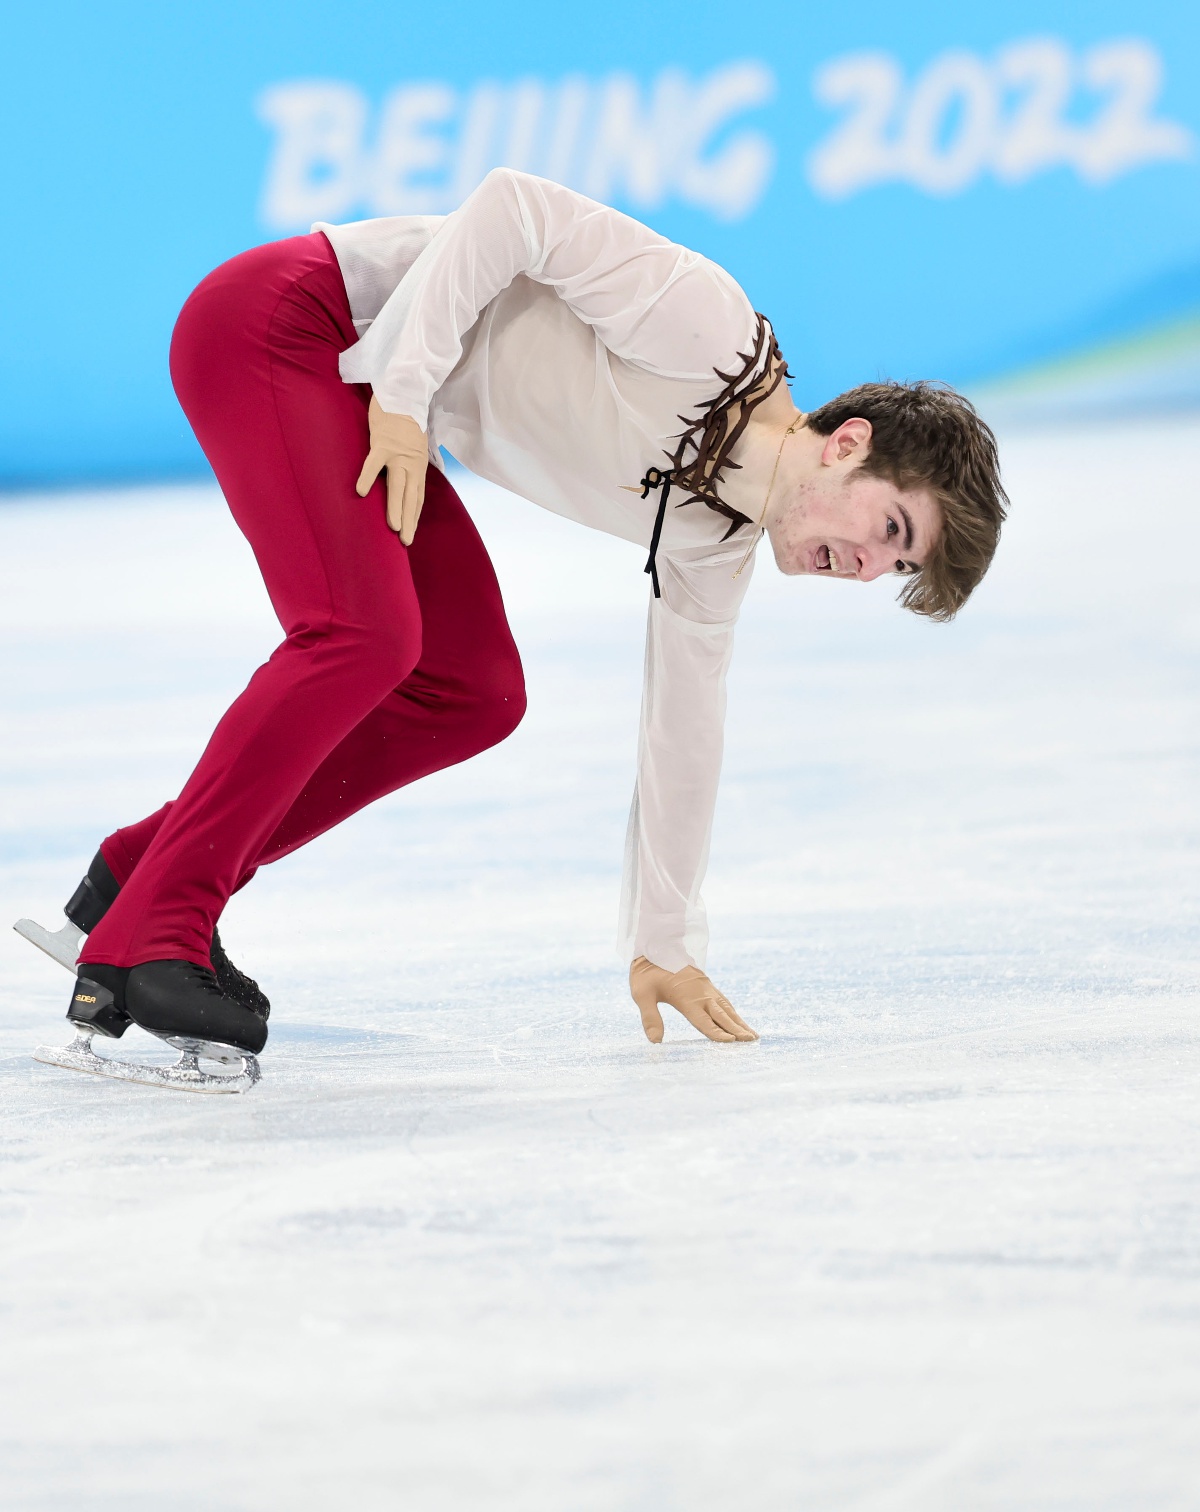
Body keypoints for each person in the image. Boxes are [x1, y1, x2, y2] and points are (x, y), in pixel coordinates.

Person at [28, 167, 1006, 1084]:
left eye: (896, 566)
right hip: (294, 322)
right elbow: (511, 208)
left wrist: (664, 943)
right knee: (360, 634)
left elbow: (684, 727)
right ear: (847, 445)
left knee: (472, 693)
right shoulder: (708, 331)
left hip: (359, 390)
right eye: (891, 527)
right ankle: (158, 931)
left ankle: (137, 877)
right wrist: (407, 404)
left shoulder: (715, 537)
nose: (870, 566)